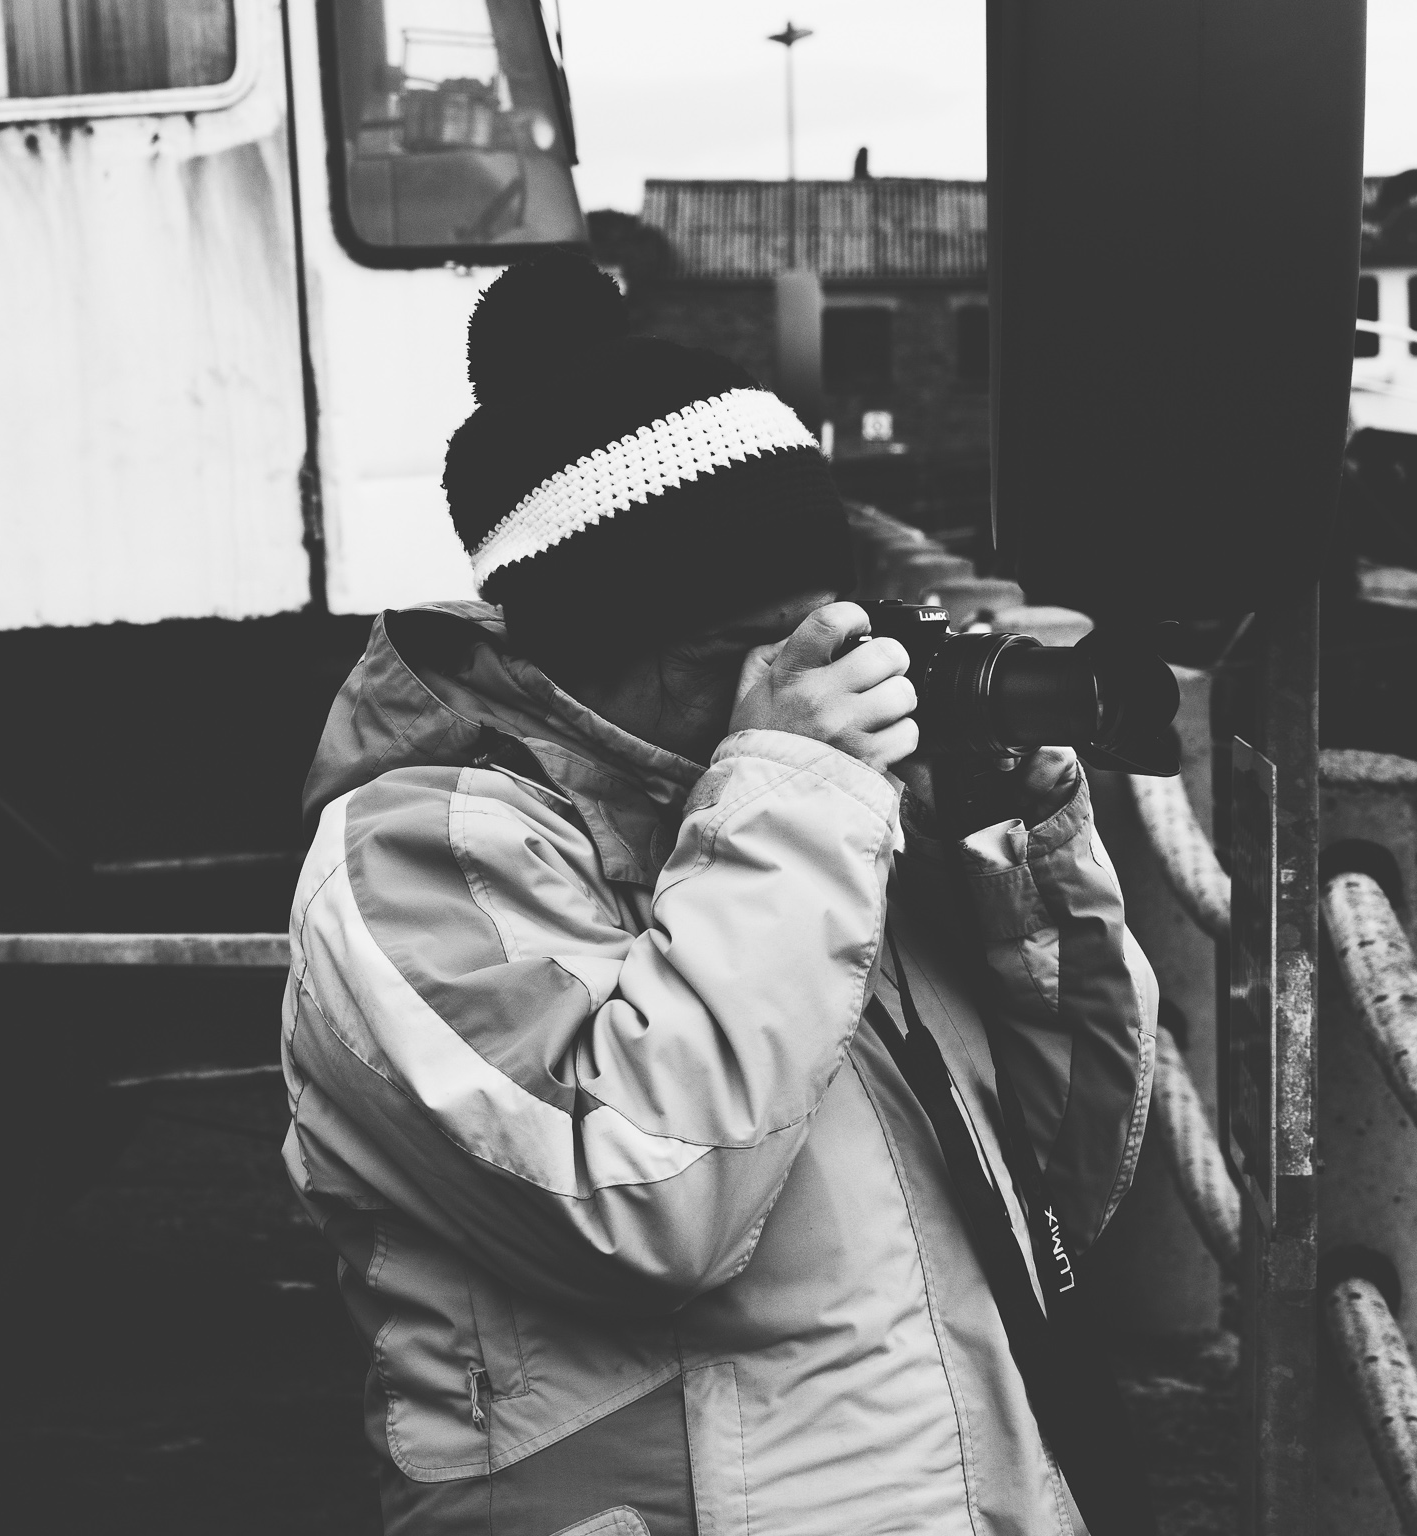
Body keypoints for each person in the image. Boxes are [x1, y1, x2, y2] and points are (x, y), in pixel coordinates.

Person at [280, 254, 1157, 1536]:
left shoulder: (808, 822)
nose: (790, 679)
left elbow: (1066, 1172)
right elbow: (645, 1204)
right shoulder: (413, 852)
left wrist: (1002, 849)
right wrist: (791, 797)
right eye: (729, 652)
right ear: (576, 656)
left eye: (817, 631)